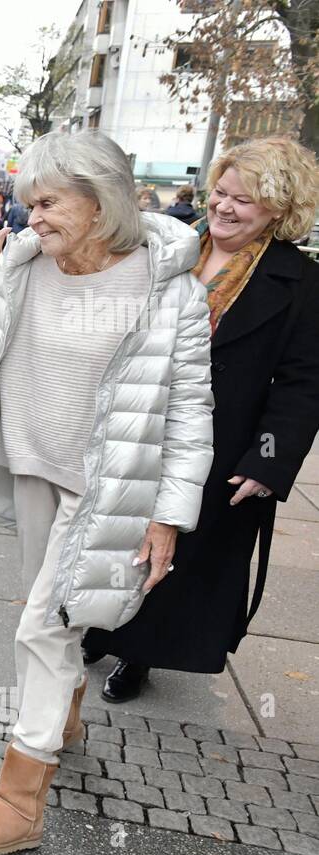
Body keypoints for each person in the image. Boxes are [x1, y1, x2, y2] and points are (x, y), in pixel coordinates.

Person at [0, 129, 213, 854]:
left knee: (40, 627)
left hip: (106, 491)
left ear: (98, 197)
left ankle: (21, 800)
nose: (33, 217)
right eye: (28, 204)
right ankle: (68, 711)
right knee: (56, 614)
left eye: (46, 202)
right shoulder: (23, 263)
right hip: (32, 466)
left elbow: (190, 409)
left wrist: (169, 518)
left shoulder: (168, 289)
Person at [84, 136, 319, 702]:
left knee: (175, 552)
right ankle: (98, 622)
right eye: (220, 191)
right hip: (136, 421)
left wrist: (269, 459)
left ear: (280, 211)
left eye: (246, 200)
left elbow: (305, 381)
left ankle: (139, 653)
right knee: (112, 535)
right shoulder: (169, 247)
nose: (225, 207)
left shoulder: (300, 282)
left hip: (218, 441)